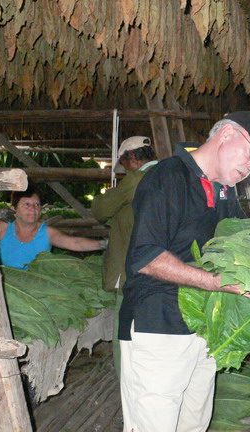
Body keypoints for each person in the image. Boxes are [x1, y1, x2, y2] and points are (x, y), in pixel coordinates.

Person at [118, 111, 250, 432]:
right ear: (226, 135)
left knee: (194, 423)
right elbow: (147, 257)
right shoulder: (168, 177)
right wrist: (219, 282)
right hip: (159, 327)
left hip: (204, 327)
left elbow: (239, 245)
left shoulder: (223, 189)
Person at [91, 136, 158, 377]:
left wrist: (108, 195)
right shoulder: (167, 175)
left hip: (132, 268)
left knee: (125, 333)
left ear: (131, 158)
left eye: (123, 162)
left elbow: (100, 209)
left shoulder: (137, 179)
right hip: (160, 267)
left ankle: (126, 385)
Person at [0, 184, 107, 270]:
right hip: (5, 286)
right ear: (14, 208)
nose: (33, 209)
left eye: (37, 205)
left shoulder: (46, 232)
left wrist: (103, 244)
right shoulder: (2, 228)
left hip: (37, 288)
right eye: (26, 204)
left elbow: (76, 243)